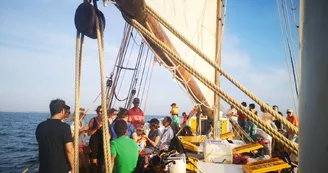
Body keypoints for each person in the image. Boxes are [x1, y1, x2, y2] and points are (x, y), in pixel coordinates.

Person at [35, 99, 74, 173]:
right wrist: (73, 167)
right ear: (62, 111)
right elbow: (69, 150)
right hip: (61, 168)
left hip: (44, 168)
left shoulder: (40, 126)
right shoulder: (65, 127)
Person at [70, 108, 89, 173]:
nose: (85, 116)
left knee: (86, 161)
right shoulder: (73, 125)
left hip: (83, 143)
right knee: (83, 163)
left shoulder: (82, 122)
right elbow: (73, 137)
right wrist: (81, 130)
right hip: (77, 145)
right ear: (79, 115)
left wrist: (85, 131)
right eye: (84, 114)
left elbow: (83, 135)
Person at [88, 106, 105, 173]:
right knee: (94, 164)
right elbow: (89, 133)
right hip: (94, 143)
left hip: (102, 143)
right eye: (99, 112)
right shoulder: (93, 120)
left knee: (101, 163)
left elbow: (109, 133)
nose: (100, 113)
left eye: (102, 112)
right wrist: (97, 128)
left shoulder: (106, 121)